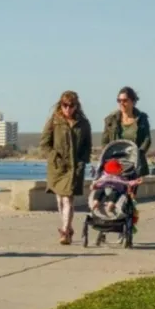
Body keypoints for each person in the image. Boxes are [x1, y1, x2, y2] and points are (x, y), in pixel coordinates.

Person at [40, 90, 92, 245]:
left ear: (77, 106)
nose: (68, 109)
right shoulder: (54, 121)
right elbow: (44, 143)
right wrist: (53, 156)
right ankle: (68, 229)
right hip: (57, 167)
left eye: (71, 105)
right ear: (60, 105)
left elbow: (87, 145)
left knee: (68, 198)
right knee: (60, 200)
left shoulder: (83, 124)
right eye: (65, 105)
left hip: (74, 167)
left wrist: (83, 161)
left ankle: (65, 230)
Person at [101, 86, 151, 180]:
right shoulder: (111, 120)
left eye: (125, 100)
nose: (121, 103)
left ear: (133, 101)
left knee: (131, 192)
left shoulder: (142, 119)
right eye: (119, 101)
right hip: (116, 163)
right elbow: (104, 141)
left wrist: (139, 153)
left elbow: (147, 139)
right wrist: (108, 157)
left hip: (135, 163)